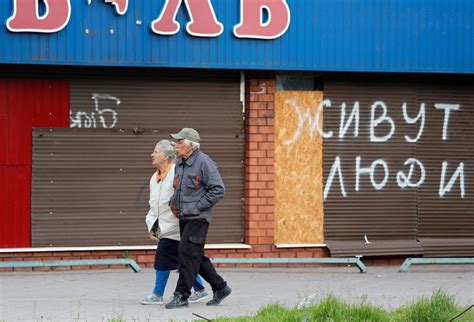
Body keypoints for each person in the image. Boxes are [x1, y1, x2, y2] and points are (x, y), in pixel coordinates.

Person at [165, 128, 231, 309]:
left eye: (179, 142)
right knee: (195, 255)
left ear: (190, 145)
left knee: (186, 254)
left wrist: (197, 206)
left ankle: (181, 295)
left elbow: (218, 190)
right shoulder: (180, 163)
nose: (176, 145)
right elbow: (177, 189)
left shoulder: (204, 162)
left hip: (198, 218)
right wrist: (173, 204)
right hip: (184, 217)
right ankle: (220, 287)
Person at [140, 139, 209, 305]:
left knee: (163, 257)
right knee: (184, 259)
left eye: (155, 152)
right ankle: (200, 289)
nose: (152, 154)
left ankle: (157, 293)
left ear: (165, 156)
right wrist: (151, 220)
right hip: (163, 224)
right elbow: (154, 203)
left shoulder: (176, 173)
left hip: (176, 225)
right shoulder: (154, 177)